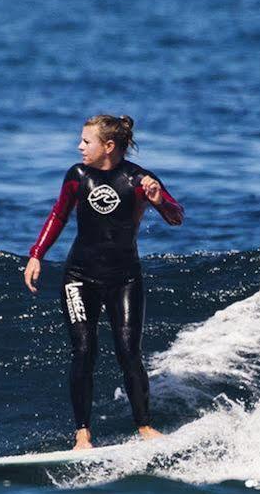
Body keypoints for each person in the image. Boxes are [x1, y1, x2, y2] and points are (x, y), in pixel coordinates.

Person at [23, 114, 185, 450]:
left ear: (108, 146)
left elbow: (176, 217)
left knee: (129, 353)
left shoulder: (140, 180)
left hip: (124, 278)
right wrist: (37, 253)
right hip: (79, 278)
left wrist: (159, 201)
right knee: (83, 351)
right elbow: (58, 214)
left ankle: (144, 426)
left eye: (86, 141)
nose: (79, 147)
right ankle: (82, 433)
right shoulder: (77, 176)